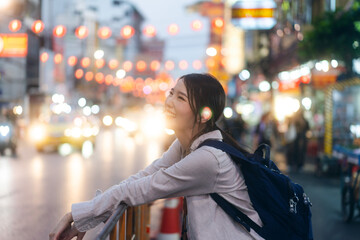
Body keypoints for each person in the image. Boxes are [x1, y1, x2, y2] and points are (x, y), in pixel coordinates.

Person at [49, 73, 263, 240]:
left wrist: (74, 215)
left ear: (203, 115)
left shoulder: (208, 159)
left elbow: (143, 189)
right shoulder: (185, 145)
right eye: (171, 93)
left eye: (181, 98)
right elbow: (142, 178)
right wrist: (84, 218)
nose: (169, 102)